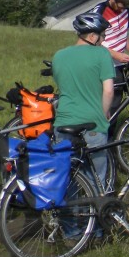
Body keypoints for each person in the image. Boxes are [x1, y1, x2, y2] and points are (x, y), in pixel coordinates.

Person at [52, 11, 116, 201]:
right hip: (92, 124)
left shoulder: (59, 56)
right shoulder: (102, 54)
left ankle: (71, 229)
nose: (103, 40)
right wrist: (104, 112)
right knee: (96, 180)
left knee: (68, 178)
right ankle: (95, 228)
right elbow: (109, 91)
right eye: (102, 35)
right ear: (92, 36)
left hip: (63, 123)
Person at [90, 0, 129, 65]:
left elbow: (123, 33)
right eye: (119, 7)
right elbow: (92, 41)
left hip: (120, 63)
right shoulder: (99, 11)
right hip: (102, 62)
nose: (121, 10)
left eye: (124, 7)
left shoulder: (126, 10)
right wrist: (115, 55)